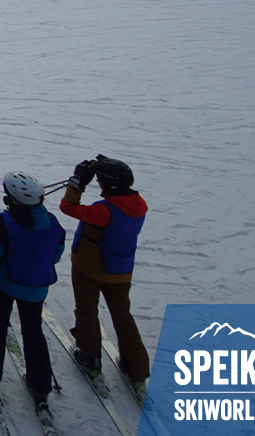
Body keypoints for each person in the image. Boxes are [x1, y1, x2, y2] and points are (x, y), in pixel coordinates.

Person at [0, 171, 65, 413]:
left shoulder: (3, 222)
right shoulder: (54, 223)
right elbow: (55, 256)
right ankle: (41, 386)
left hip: (3, 284)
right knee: (33, 332)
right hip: (37, 288)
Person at [60, 155, 150, 386]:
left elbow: (68, 207)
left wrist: (78, 182)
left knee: (87, 310)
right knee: (123, 316)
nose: (98, 183)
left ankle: (90, 357)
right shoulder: (139, 205)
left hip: (90, 269)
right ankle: (137, 368)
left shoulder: (103, 211)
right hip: (121, 271)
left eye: (100, 180)